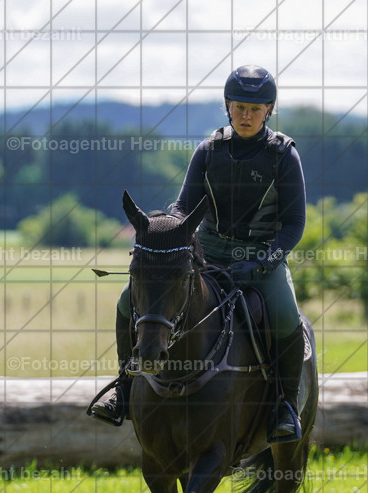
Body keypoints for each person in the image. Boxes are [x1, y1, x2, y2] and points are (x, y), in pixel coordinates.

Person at [91, 65, 308, 443]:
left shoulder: (284, 156)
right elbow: (183, 206)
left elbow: (293, 224)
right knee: (129, 300)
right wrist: (165, 231)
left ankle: (285, 407)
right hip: (206, 255)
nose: (246, 116)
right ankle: (125, 388)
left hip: (261, 259)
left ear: (269, 110)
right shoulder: (209, 150)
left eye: (255, 109)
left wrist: (265, 261)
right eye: (239, 107)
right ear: (227, 106)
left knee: (287, 314)